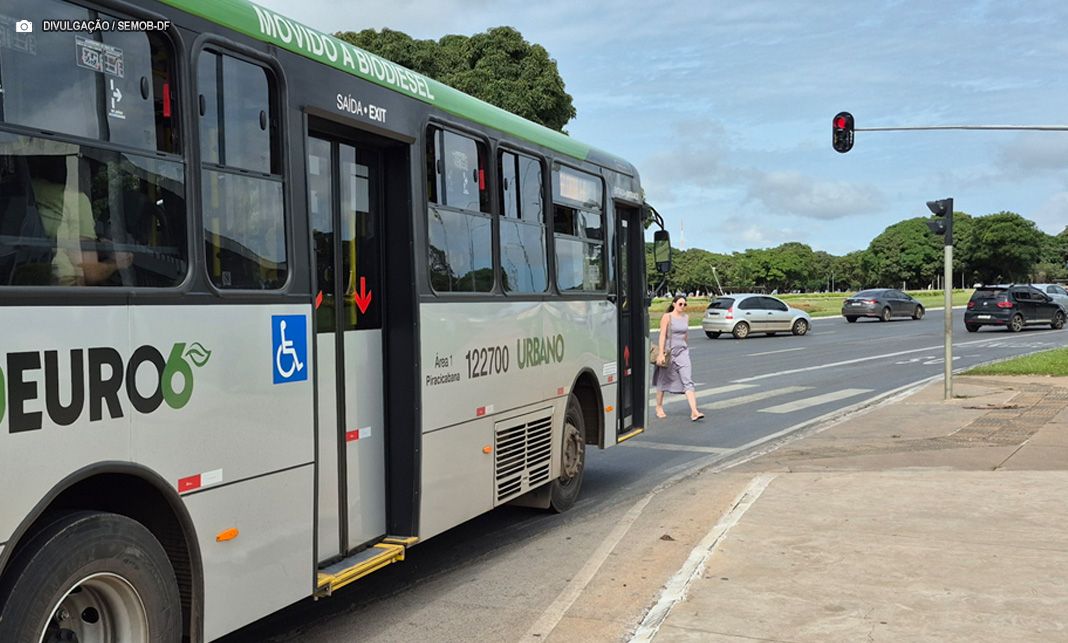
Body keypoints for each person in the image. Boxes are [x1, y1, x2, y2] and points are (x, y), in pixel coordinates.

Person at [29, 154, 132, 286]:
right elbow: (90, 273)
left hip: (28, 280)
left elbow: (56, 230)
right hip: (64, 287)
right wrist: (117, 262)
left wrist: (94, 243)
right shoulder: (75, 200)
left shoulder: (29, 188)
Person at [653, 295, 704, 422]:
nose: (682, 306)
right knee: (663, 380)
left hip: (682, 352)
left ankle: (694, 411)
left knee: (688, 381)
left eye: (684, 304)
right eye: (680, 304)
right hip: (669, 353)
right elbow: (662, 335)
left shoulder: (686, 317)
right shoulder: (667, 317)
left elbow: (685, 334)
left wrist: (685, 346)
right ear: (674, 304)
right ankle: (658, 407)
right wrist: (661, 353)